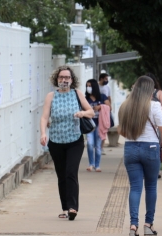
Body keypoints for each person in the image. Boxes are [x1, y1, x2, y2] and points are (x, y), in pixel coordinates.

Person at [40, 66, 94, 221]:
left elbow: (90, 112)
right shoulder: (51, 96)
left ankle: (73, 208)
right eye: (61, 77)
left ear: (72, 80)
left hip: (74, 140)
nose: (64, 80)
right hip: (56, 141)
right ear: (57, 79)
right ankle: (65, 207)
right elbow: (44, 117)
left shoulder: (77, 94)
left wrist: (82, 113)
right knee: (61, 175)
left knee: (71, 172)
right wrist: (43, 133)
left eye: (67, 78)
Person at [117, 76, 162, 236]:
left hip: (130, 148)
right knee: (151, 186)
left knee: (135, 187)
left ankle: (133, 226)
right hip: (151, 147)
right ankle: (148, 224)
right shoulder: (154, 106)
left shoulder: (125, 106)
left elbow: (121, 130)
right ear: (149, 90)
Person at [146, 73, 162, 179]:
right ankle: (156, 170)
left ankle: (146, 170)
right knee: (159, 147)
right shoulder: (159, 93)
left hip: (143, 126)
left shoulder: (140, 93)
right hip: (157, 125)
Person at [85, 79, 110, 172]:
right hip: (89, 125)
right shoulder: (85, 98)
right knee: (90, 144)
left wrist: (100, 107)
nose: (88, 88)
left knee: (98, 146)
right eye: (87, 86)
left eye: (90, 86)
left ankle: (97, 165)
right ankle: (91, 164)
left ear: (94, 87)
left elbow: (109, 107)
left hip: (100, 125)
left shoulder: (102, 97)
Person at [98, 73, 111, 155]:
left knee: (105, 128)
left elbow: (109, 98)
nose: (106, 80)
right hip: (98, 110)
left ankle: (101, 147)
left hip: (105, 110)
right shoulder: (96, 86)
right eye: (105, 79)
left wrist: (110, 107)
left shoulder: (108, 87)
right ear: (101, 78)